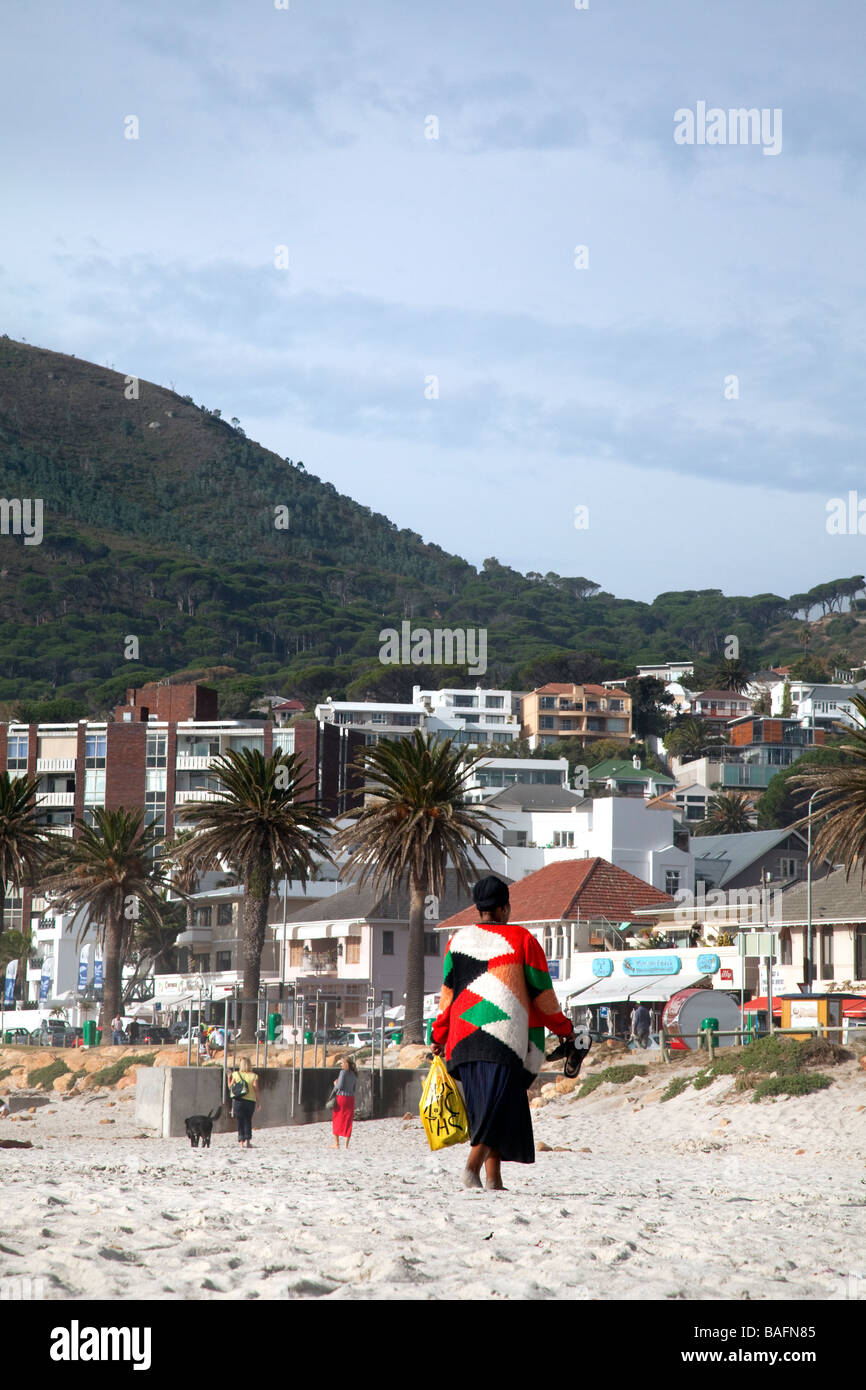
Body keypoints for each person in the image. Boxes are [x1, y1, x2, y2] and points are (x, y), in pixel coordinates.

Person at [431, 875, 575, 1192]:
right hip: (504, 1038)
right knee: (499, 1106)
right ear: (505, 908)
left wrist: (437, 1036)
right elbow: (542, 994)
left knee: (489, 1105)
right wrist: (564, 1029)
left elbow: (447, 994)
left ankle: (493, 1180)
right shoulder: (522, 940)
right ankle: (471, 1168)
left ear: (478, 908)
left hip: (463, 1037)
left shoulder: (457, 940)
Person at [229, 1057, 261, 1149]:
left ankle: (241, 1143)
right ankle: (248, 1142)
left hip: (239, 1101)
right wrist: (259, 1101)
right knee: (248, 1121)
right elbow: (256, 1089)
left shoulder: (236, 1074)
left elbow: (230, 1086)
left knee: (240, 1121)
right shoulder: (254, 1076)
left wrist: (228, 1078)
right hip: (250, 1101)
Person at [331, 1056, 357, 1150]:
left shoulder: (343, 1072)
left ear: (346, 1063)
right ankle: (346, 1145)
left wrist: (335, 1084)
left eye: (342, 1063)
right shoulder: (354, 1074)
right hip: (351, 1098)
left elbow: (340, 1086)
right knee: (348, 1120)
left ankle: (337, 1144)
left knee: (337, 1118)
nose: (341, 1065)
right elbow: (354, 1088)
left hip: (341, 1097)